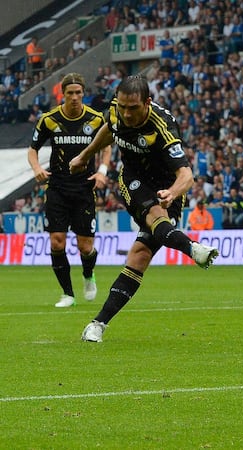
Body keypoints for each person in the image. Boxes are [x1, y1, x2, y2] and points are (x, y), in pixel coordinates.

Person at [69, 76, 219, 342]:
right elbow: (109, 127)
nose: (126, 113)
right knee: (155, 216)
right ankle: (192, 249)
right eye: (123, 106)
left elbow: (186, 175)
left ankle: (97, 325)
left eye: (133, 108)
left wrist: (172, 192)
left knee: (138, 256)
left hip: (167, 187)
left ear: (147, 102)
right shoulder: (117, 110)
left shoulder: (163, 128)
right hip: (133, 180)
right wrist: (85, 155)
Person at [27, 73, 110, 307]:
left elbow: (107, 147)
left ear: (83, 93)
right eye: (70, 93)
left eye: (78, 93)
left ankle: (88, 276)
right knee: (57, 242)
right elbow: (32, 149)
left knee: (85, 246)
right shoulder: (49, 119)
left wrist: (102, 170)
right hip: (57, 188)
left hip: (84, 188)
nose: (74, 97)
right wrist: (36, 168)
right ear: (62, 94)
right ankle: (67, 294)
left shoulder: (95, 119)